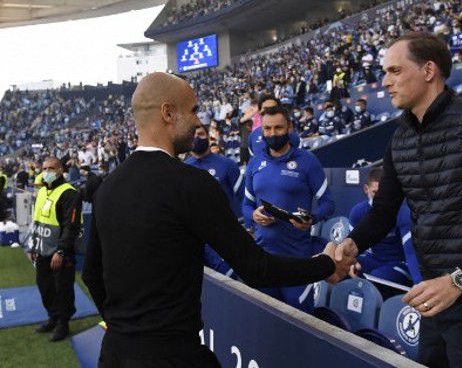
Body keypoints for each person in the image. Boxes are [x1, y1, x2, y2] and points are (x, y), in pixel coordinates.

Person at [82, 73, 354, 367]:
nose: (199, 123)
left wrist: (125, 329)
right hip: (175, 355)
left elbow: (92, 274)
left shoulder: (107, 187)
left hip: (114, 354)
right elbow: (256, 268)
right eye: (193, 110)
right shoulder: (191, 184)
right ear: (168, 113)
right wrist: (326, 264)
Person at [330, 33, 462, 367]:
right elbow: (383, 213)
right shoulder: (399, 136)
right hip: (434, 298)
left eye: (395, 71)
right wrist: (351, 245)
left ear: (429, 70)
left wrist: (458, 279)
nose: (385, 82)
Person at [243, 106, 335, 313]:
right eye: (267, 129)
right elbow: (246, 205)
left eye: (278, 128)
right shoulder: (255, 163)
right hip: (264, 259)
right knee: (266, 324)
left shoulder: (307, 161)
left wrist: (313, 218)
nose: (272, 134)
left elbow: (328, 203)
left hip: (297, 260)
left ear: (290, 127)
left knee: (301, 326)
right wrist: (253, 215)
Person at [27, 156, 82, 342]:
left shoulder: (70, 193)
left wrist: (61, 251)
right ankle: (53, 317)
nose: (47, 171)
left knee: (63, 289)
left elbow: (71, 226)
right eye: (44, 168)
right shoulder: (42, 191)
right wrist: (32, 245)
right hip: (42, 249)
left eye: (51, 168)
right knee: (45, 286)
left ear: (60, 170)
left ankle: (63, 323)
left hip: (60, 252)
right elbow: (37, 221)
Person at [184, 124, 243, 277]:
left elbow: (244, 198)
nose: (197, 137)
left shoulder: (227, 165)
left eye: (201, 134)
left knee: (232, 283)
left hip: (224, 236)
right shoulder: (183, 168)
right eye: (193, 134)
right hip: (196, 240)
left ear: (208, 136)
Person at [348, 168, 414, 286]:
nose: (379, 198)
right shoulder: (358, 212)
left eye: (383, 192)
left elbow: (411, 253)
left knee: (377, 277)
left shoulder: (403, 213)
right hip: (373, 260)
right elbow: (351, 248)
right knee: (342, 270)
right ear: (366, 190)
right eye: (375, 192)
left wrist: (418, 284)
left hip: (400, 263)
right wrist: (351, 263)